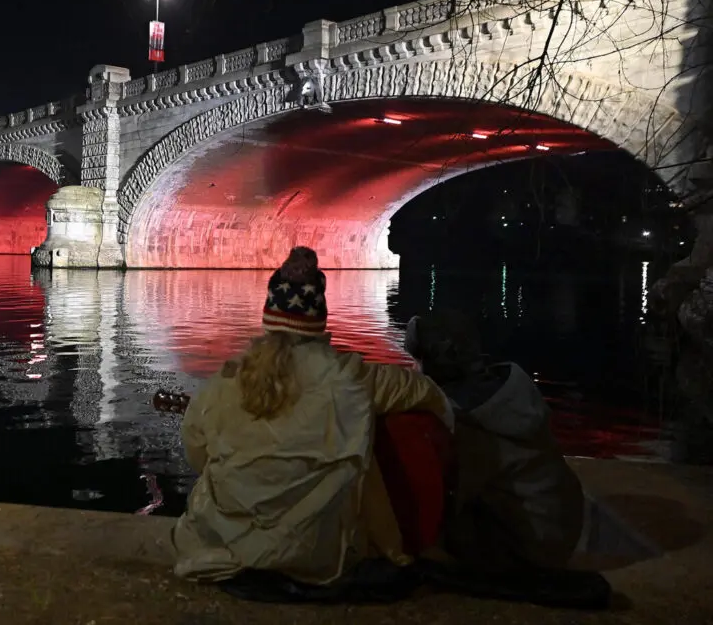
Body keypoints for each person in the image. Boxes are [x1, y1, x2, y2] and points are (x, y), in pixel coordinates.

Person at [171, 246, 452, 586]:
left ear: (268, 317)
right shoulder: (354, 377)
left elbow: (198, 453)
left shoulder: (225, 382)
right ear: (319, 320)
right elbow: (427, 394)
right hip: (318, 552)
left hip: (228, 543)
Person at [403, 309, 585, 571]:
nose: (412, 368)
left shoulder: (469, 419)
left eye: (418, 361)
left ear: (438, 363)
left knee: (422, 537)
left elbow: (445, 495)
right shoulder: (506, 390)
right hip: (560, 527)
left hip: (533, 546)